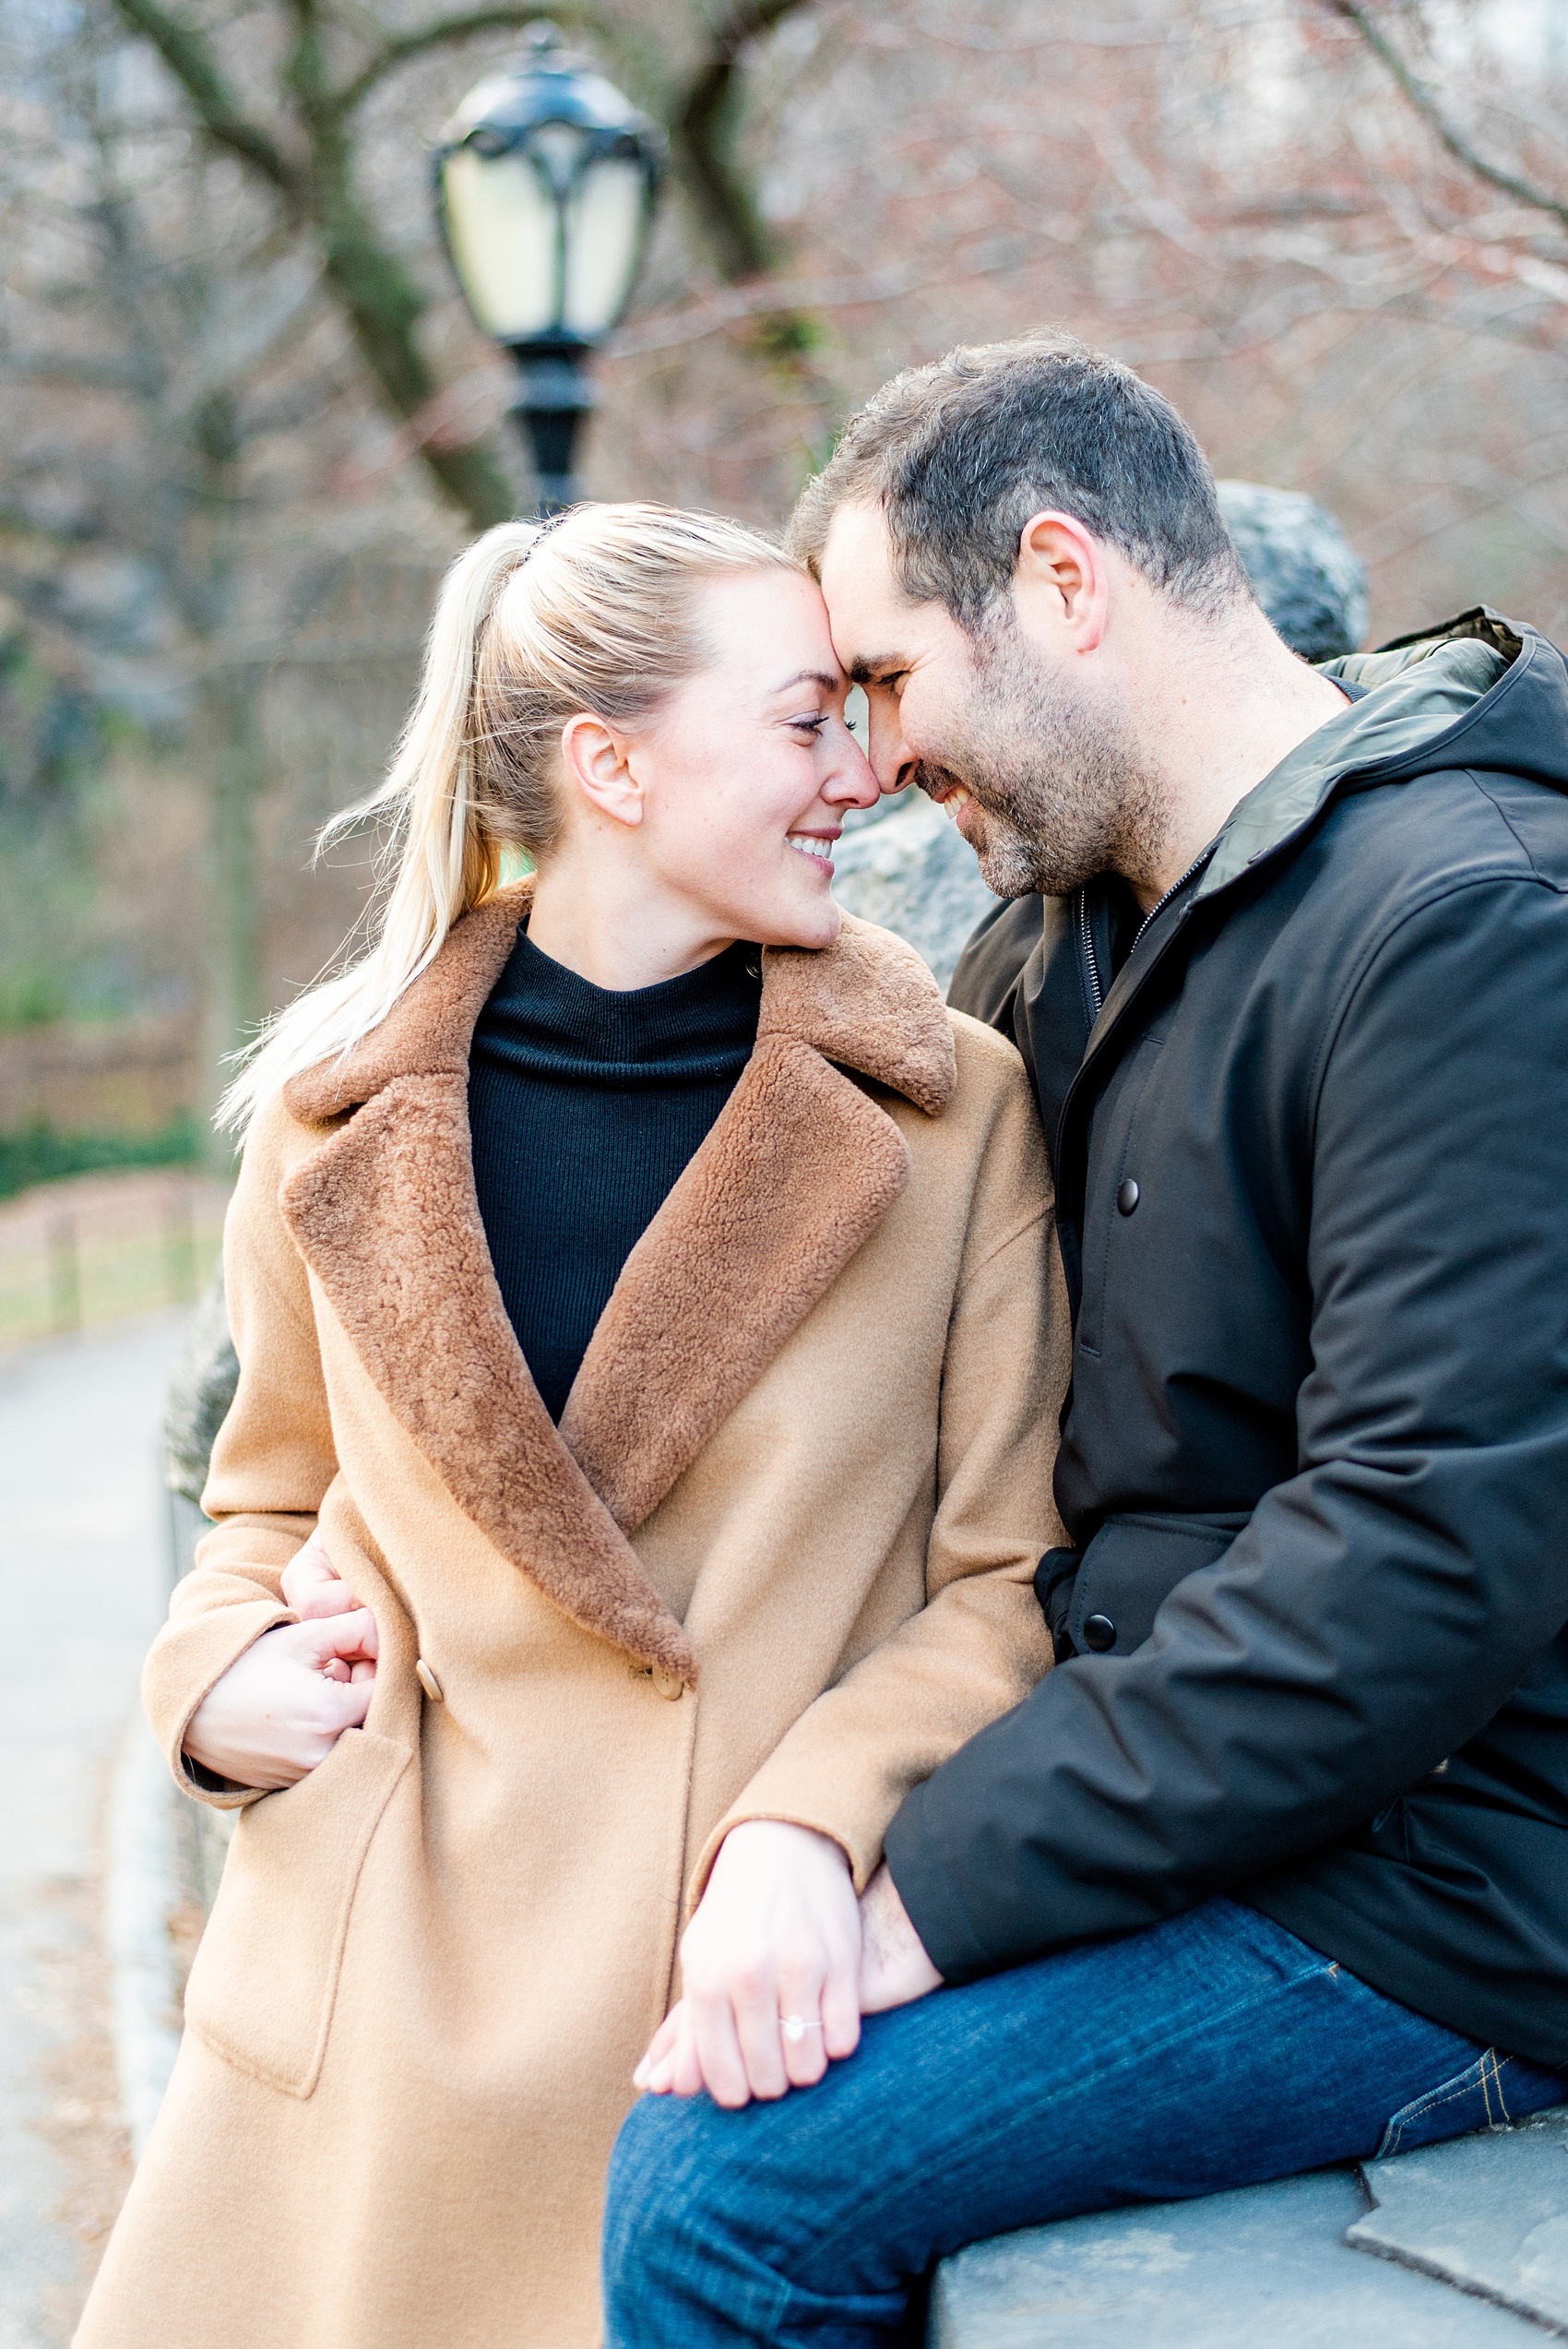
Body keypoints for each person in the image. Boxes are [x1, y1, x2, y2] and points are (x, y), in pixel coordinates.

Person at [600, 334, 1568, 2346]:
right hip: (1191, 1802)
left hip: (1448, 1889)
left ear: (1061, 581)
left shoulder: (1467, 925)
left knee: (731, 2186)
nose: (863, 765)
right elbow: (845, 1332)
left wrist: (925, 1890)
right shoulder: (1060, 936)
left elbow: (1413, 1562)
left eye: (883, 682)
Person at [77, 504, 1070, 2349]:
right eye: (800, 721)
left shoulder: (949, 1112)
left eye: (857, 708)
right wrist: (214, 1682)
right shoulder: (329, 1113)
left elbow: (1010, 1579)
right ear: (610, 763)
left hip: (728, 1993)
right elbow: (261, 1497)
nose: (861, 767)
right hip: (373, 2005)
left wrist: (807, 1819)